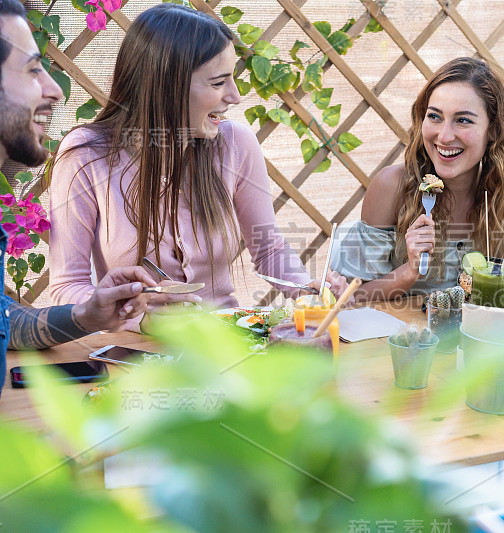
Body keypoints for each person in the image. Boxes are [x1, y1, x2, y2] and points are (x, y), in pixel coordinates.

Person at [47, 4, 346, 329]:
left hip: (230, 346)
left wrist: (305, 288)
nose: (235, 96)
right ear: (166, 85)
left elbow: (268, 248)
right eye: (218, 83)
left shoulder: (236, 143)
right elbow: (66, 289)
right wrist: (133, 312)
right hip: (133, 356)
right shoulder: (85, 155)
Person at [0, 0, 195, 396]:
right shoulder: (87, 153)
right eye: (33, 69)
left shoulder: (230, 144)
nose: (54, 89)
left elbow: (6, 319)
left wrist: (89, 314)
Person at [333, 57, 504, 301]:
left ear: (493, 130)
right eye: (435, 116)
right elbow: (349, 298)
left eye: (463, 120)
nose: (444, 136)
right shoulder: (391, 187)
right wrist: (409, 271)